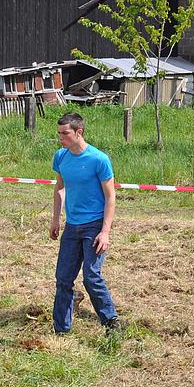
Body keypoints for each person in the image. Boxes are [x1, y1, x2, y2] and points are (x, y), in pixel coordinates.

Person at [50, 112, 120, 334]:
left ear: (78, 132)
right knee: (63, 278)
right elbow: (60, 188)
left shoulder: (99, 159)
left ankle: (111, 322)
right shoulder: (60, 157)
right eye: (59, 133)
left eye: (65, 133)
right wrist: (55, 219)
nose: (60, 138)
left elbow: (111, 197)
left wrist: (105, 232)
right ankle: (61, 329)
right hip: (72, 226)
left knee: (91, 276)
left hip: (94, 225)